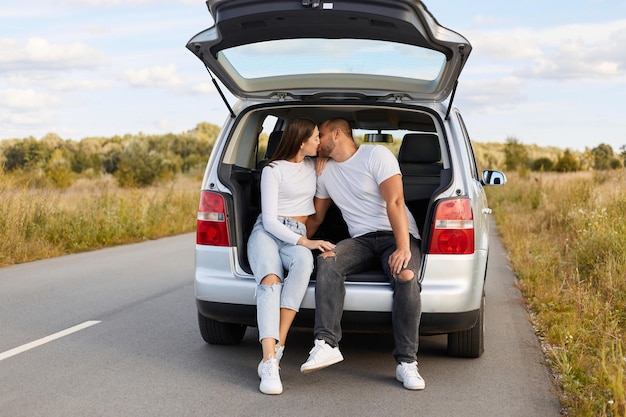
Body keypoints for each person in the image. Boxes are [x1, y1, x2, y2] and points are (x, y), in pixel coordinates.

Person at [300, 118, 425, 390]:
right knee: (328, 259)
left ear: (337, 133)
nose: (317, 140)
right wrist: (296, 242)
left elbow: (395, 201)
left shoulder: (375, 154)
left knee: (405, 275)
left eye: (320, 134)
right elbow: (317, 217)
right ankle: (326, 344)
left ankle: (407, 363)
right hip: (362, 241)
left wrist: (403, 247)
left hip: (396, 234)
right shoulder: (325, 171)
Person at [247, 118, 335, 395]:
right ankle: (269, 361)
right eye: (315, 138)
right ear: (301, 142)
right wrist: (305, 240)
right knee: (271, 280)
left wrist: (304, 243)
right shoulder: (272, 170)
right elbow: (271, 221)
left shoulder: (315, 166)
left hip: (296, 232)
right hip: (268, 232)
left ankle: (278, 346)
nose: (319, 142)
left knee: (305, 261)